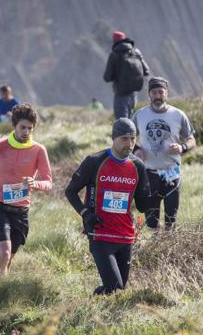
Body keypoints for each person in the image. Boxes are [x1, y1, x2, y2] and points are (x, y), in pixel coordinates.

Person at [65, 118, 151, 295]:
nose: (130, 143)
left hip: (125, 235)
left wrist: (155, 193)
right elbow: (70, 191)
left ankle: (94, 306)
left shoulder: (138, 166)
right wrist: (85, 213)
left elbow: (142, 206)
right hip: (100, 233)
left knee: (118, 291)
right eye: (125, 139)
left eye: (133, 139)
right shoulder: (94, 161)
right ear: (114, 138)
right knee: (115, 288)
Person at [0, 103, 52, 276]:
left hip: (20, 211)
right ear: (14, 126)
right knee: (4, 252)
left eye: (30, 128)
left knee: (8, 260)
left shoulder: (38, 150)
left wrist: (35, 184)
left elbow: (48, 182)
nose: (26, 132)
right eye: (22, 127)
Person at [132, 77, 196, 230]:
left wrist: (182, 148)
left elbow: (192, 139)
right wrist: (137, 150)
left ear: (167, 93)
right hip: (148, 172)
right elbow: (127, 138)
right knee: (151, 220)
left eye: (161, 92)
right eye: (154, 92)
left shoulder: (178, 115)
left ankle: (169, 248)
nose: (158, 95)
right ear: (149, 95)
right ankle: (155, 248)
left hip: (172, 172)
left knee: (170, 218)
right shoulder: (139, 115)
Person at [103, 30, 150, 119]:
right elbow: (146, 70)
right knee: (132, 119)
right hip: (134, 93)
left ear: (114, 41)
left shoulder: (114, 55)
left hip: (120, 94)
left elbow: (107, 77)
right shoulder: (136, 52)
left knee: (121, 121)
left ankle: (124, 133)